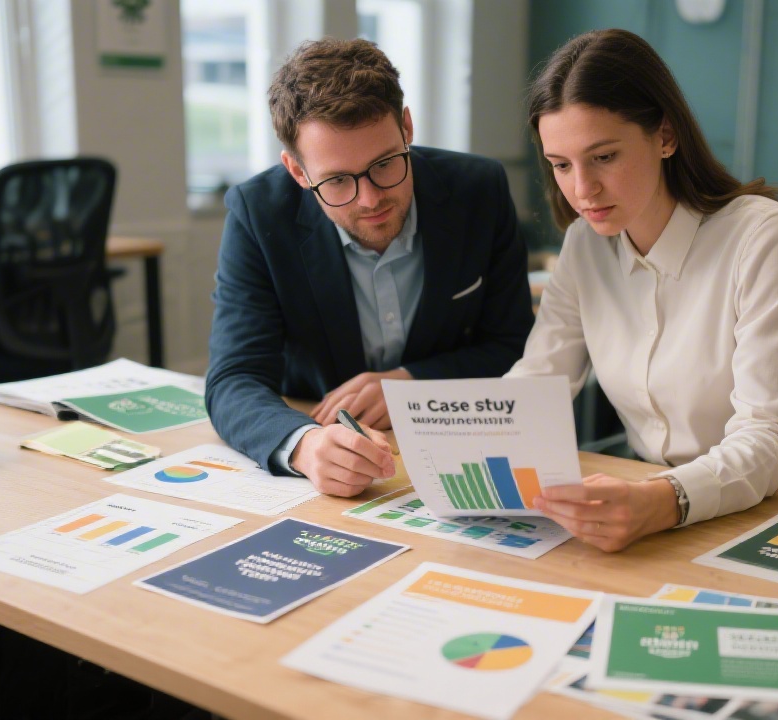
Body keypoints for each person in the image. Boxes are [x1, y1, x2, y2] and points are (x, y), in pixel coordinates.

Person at [508, 29, 778, 552]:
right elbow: (537, 383)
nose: (582, 190)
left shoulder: (763, 235)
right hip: (649, 494)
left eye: (604, 157)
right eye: (561, 165)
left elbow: (769, 436)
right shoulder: (584, 246)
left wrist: (664, 500)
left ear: (665, 135)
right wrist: (444, 446)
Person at [207, 38, 534, 498]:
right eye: (337, 180)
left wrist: (410, 384)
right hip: (328, 460)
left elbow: (513, 345)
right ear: (298, 172)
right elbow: (233, 378)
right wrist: (304, 444)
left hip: (459, 451)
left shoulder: (480, 190)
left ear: (406, 126)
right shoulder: (258, 213)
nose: (371, 199)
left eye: (384, 164)